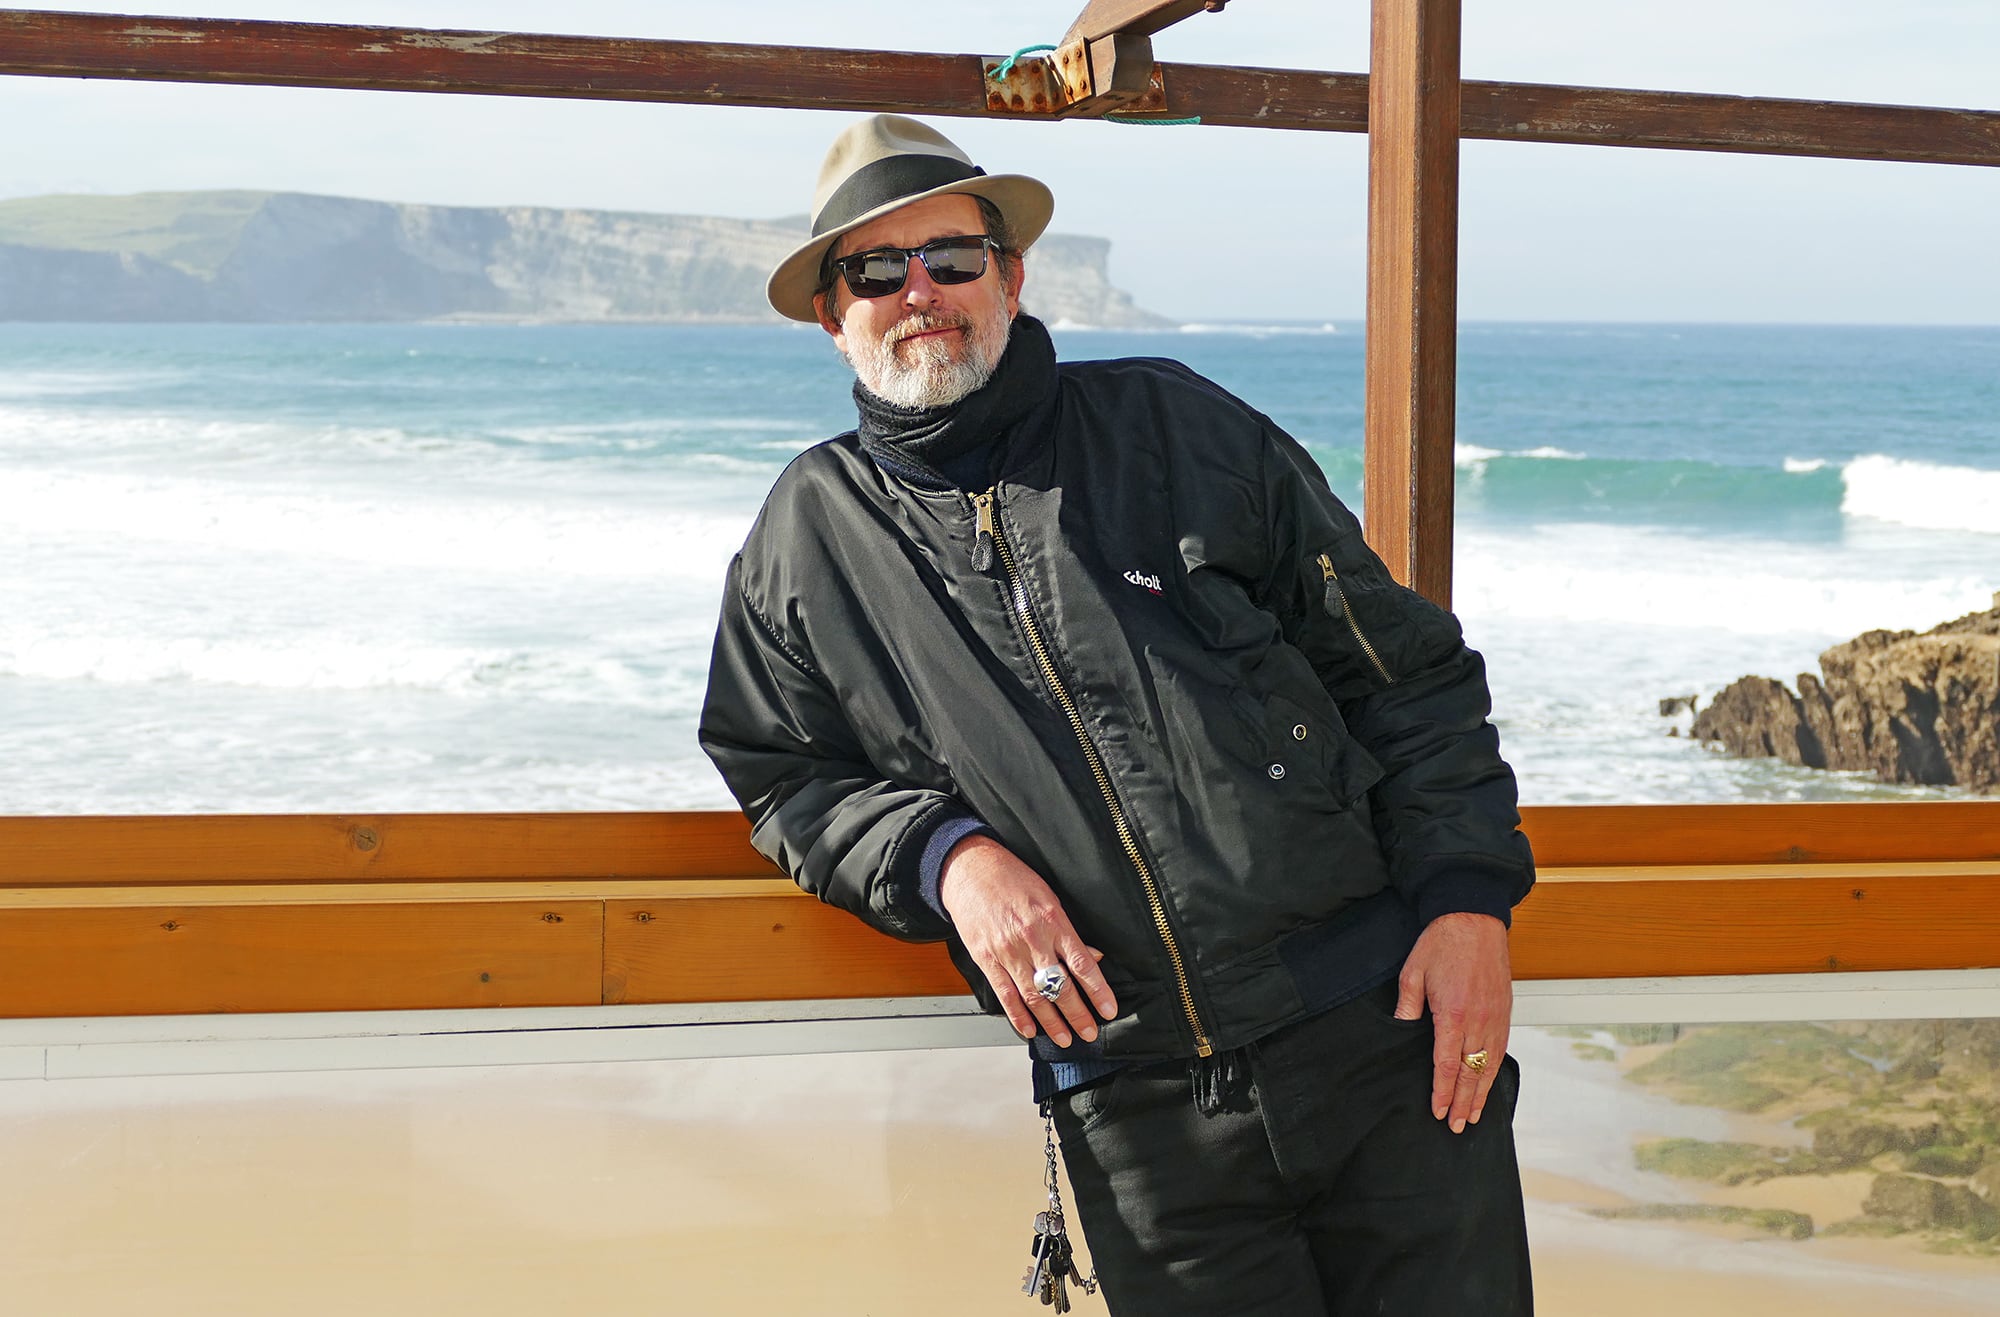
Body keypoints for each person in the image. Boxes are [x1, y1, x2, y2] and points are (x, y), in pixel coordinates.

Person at [701, 113, 1536, 1315]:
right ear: (834, 313)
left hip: (1381, 1040)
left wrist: (1466, 903)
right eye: (875, 271)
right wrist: (946, 857)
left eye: (951, 256)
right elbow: (778, 772)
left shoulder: (1174, 424)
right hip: (1134, 1109)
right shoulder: (808, 531)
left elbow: (1399, 671)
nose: (919, 292)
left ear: (1012, 273)